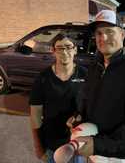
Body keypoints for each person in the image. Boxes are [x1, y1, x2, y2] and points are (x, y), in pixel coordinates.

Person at [67, 10, 125, 163]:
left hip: (121, 157)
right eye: (99, 33)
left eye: (109, 31)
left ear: (122, 34)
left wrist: (99, 145)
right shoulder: (95, 67)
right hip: (94, 149)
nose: (103, 38)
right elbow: (86, 100)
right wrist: (78, 116)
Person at [29, 33, 87, 163]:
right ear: (53, 51)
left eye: (68, 47)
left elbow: (92, 106)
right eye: (60, 48)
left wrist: (80, 117)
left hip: (77, 143)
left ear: (75, 50)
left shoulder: (86, 75)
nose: (64, 52)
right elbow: (35, 115)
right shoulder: (43, 78)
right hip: (52, 144)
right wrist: (38, 147)